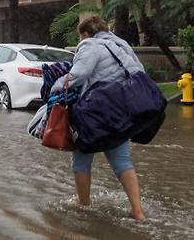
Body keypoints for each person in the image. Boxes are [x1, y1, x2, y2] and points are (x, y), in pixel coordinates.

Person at [51, 14, 147, 220]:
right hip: (121, 113)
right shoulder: (120, 45)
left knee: (81, 159)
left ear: (86, 33)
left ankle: (84, 206)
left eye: (80, 37)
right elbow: (139, 71)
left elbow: (79, 75)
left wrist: (56, 86)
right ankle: (137, 211)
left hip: (94, 114)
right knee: (122, 160)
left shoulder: (89, 45)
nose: (80, 41)